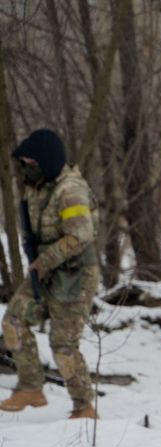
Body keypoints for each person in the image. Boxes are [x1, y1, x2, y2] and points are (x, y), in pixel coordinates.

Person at [1, 129, 100, 419]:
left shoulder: (70, 190)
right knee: (13, 321)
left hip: (75, 275)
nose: (27, 170)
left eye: (32, 164)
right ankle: (31, 387)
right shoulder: (39, 187)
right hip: (44, 270)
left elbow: (80, 236)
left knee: (63, 344)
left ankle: (84, 407)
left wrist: (44, 261)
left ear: (46, 161)